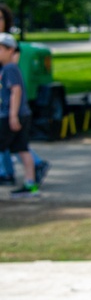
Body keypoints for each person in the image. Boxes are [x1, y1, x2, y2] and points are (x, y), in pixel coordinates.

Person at [0, 3, 48, 186]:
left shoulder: (9, 46)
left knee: (12, 140)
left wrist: (13, 112)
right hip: (4, 98)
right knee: (11, 141)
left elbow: (13, 77)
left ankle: (34, 165)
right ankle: (7, 172)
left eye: (0, 18)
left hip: (10, 99)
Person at [0, 33, 39, 198]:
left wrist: (13, 115)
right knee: (22, 148)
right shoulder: (10, 68)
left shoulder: (9, 69)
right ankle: (30, 184)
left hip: (10, 115)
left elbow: (16, 91)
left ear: (10, 50)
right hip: (21, 114)